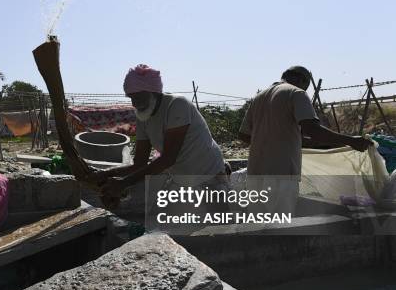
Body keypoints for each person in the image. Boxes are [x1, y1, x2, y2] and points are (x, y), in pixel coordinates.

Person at [238, 65, 372, 214]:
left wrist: (273, 143)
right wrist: (352, 141)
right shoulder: (296, 93)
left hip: (255, 175)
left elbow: (243, 135)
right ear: (302, 80)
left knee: (258, 228)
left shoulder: (259, 97)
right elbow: (313, 131)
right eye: (306, 86)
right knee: (280, 230)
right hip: (281, 176)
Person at [91, 64, 228, 210]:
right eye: (131, 97)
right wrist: (106, 174)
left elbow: (168, 159)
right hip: (183, 179)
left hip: (209, 174)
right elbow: (140, 164)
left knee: (219, 224)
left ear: (154, 92)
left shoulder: (177, 105)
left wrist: (123, 183)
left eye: (139, 96)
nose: (135, 103)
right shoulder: (143, 115)